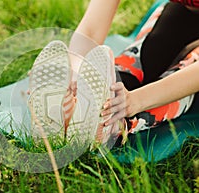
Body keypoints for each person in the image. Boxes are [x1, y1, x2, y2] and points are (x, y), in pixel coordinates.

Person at [68, 0, 199, 141]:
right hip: (186, 12)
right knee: (141, 58)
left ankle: (118, 126)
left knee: (183, 72)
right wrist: (76, 73)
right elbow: (91, 29)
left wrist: (135, 101)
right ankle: (85, 108)